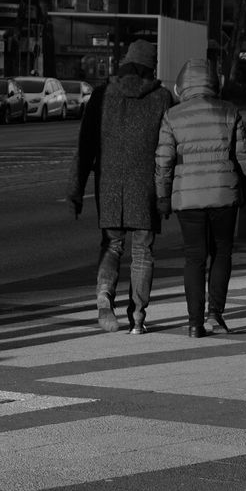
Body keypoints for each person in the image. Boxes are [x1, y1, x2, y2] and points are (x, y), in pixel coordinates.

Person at [67, 40, 173, 334]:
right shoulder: (162, 98)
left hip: (110, 184)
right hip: (146, 187)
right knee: (143, 251)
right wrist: (168, 194)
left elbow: (85, 146)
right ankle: (138, 318)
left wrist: (76, 190)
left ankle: (104, 298)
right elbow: (169, 149)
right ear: (151, 67)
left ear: (125, 62)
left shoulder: (101, 95)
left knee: (112, 245)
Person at [154, 57, 246, 338]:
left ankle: (194, 322)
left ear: (181, 86)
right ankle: (215, 314)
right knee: (222, 252)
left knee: (194, 257)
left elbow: (163, 161)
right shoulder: (229, 111)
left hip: (188, 197)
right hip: (224, 193)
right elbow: (244, 155)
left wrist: (163, 197)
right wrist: (243, 188)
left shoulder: (173, 116)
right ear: (214, 83)